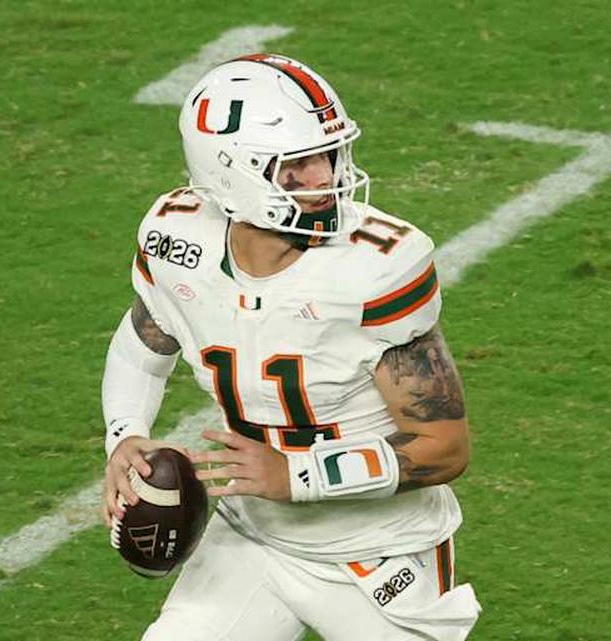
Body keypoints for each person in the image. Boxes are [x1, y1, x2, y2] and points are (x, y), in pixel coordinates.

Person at [101, 53, 481, 641]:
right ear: (231, 174)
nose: (323, 177)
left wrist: (296, 474)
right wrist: (125, 435)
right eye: (295, 166)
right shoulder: (180, 242)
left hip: (377, 553)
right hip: (251, 535)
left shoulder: (374, 270)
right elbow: (140, 351)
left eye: (326, 156)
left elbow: (444, 448)